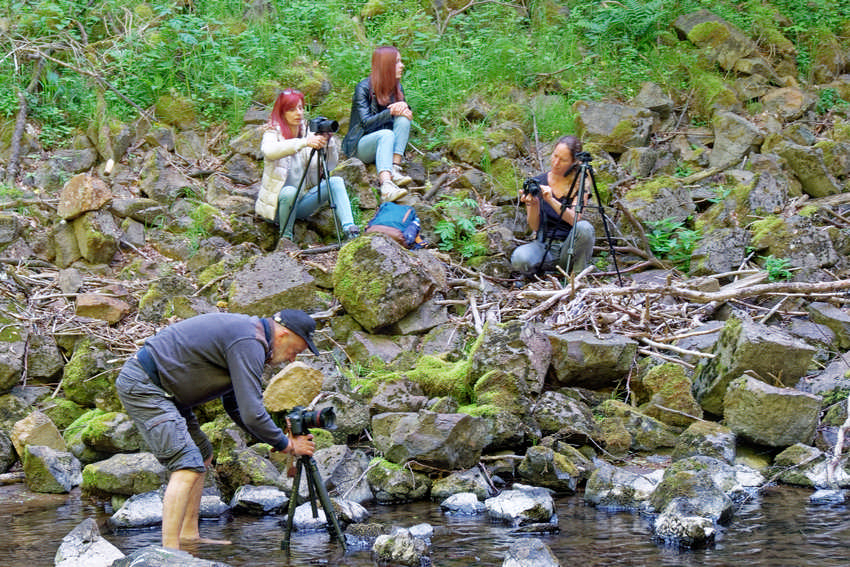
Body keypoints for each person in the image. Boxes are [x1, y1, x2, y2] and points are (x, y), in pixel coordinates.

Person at [115, 309, 319, 551]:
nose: (292, 359)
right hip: (146, 386)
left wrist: (279, 442)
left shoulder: (252, 340)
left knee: (201, 455)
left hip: (168, 394)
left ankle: (189, 536)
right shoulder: (249, 341)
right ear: (284, 334)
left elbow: (235, 405)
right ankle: (169, 554)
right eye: (296, 350)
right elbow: (252, 414)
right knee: (186, 463)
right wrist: (287, 445)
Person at [255, 88, 360, 241]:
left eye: (300, 108)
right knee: (289, 191)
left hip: (300, 205)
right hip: (276, 210)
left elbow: (330, 166)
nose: (298, 113)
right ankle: (286, 239)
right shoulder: (272, 133)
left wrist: (327, 143)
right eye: (291, 109)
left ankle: (350, 230)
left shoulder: (307, 132)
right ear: (282, 113)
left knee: (336, 181)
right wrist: (303, 143)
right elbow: (269, 151)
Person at [511, 135, 596, 276]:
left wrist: (551, 200)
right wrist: (534, 204)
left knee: (585, 228)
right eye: (554, 156)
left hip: (569, 249)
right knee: (519, 258)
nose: (556, 163)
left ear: (574, 162)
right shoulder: (538, 181)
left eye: (563, 160)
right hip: (544, 246)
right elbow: (535, 226)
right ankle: (545, 272)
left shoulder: (580, 184)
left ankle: (578, 277)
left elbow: (575, 218)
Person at [342, 45, 413, 203]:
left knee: (403, 118)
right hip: (360, 145)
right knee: (386, 133)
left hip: (385, 144)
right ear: (386, 66)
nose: (402, 66)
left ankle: (395, 168)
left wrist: (405, 109)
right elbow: (365, 123)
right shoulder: (363, 88)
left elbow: (402, 114)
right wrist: (391, 111)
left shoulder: (397, 87)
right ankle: (386, 186)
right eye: (397, 62)